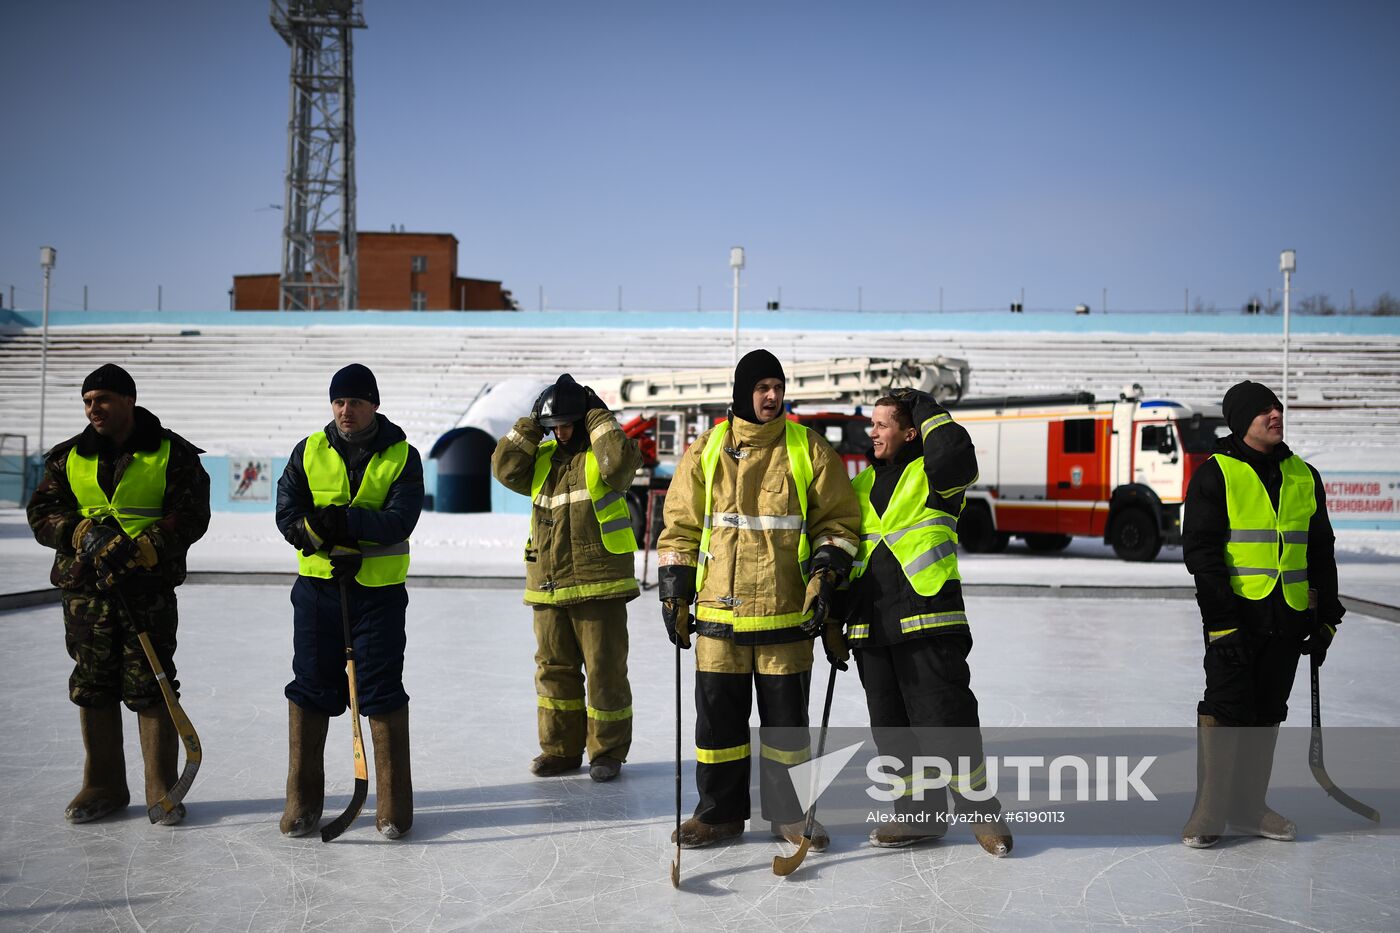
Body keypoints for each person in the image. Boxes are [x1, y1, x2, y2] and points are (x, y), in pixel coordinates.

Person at [657, 349, 861, 849]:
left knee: (786, 731)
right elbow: (679, 527)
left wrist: (827, 571)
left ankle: (790, 816)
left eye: (778, 387)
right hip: (718, 617)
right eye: (762, 387)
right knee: (719, 730)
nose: (772, 397)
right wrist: (674, 591)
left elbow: (838, 522)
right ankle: (717, 814)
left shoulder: (807, 448)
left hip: (786, 617)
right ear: (743, 391)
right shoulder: (705, 450)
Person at [27, 363, 210, 825]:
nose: (94, 409)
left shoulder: (174, 453)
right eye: (87, 401)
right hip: (86, 593)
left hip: (145, 591)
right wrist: (81, 532)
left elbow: (192, 514)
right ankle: (103, 785)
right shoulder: (67, 457)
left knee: (152, 684)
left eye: (102, 399)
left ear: (128, 399)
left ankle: (161, 789)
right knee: (93, 686)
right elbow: (43, 512)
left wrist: (147, 546)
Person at [845, 390, 1012, 857]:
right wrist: (836, 617)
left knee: (946, 721)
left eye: (882, 424)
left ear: (910, 431)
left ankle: (983, 813)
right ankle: (919, 816)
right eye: (872, 424)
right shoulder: (856, 487)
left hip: (927, 615)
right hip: (870, 626)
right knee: (892, 729)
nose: (872, 432)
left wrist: (929, 409)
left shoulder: (935, 475)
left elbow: (956, 455)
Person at [1180, 379, 1343, 848]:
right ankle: (1209, 810)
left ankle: (1250, 807)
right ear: (1239, 422)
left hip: (1290, 618)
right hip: (1236, 619)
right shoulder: (1216, 473)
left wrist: (1327, 616)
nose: (1275, 414)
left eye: (1276, 407)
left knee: (1268, 710)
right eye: (1262, 410)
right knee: (1227, 708)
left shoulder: (1303, 475)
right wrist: (1222, 622)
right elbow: (1203, 554)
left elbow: (1320, 550)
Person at [275, 363, 423, 838]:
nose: (346, 411)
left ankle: (393, 807)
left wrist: (347, 523)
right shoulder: (309, 450)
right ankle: (301, 801)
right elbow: (287, 513)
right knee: (312, 688)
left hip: (378, 595)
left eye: (356, 402)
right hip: (317, 592)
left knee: (380, 691)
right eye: (339, 402)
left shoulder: (402, 455)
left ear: (374, 405)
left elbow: (400, 519)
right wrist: (316, 531)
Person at [491, 374, 641, 782]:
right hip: (548, 582)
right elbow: (504, 468)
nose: (560, 432)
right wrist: (529, 424)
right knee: (553, 670)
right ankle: (559, 750)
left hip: (599, 583)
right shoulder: (542, 459)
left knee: (605, 671)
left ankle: (607, 752)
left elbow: (619, 466)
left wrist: (597, 418)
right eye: (553, 425)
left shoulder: (602, 453)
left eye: (567, 423)